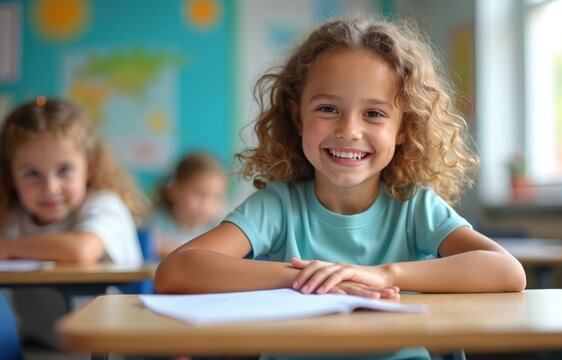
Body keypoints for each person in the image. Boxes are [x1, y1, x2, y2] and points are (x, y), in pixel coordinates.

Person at [155, 17, 526, 360]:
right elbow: (177, 271)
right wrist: (307, 278)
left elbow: (507, 272)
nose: (349, 130)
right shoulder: (278, 206)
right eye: (328, 109)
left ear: (404, 129)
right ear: (297, 116)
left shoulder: (414, 207)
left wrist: (384, 275)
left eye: (374, 113)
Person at [0, 97, 148, 347]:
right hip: (38, 346)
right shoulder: (11, 215)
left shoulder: (105, 204)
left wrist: (6, 248)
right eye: (32, 174)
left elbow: (81, 250)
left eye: (64, 170)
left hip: (109, 346)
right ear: (11, 177)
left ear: (88, 168)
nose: (50, 188)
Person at [145, 152, 228, 258]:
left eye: (216, 197)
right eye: (199, 193)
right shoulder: (154, 222)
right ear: (174, 190)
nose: (207, 205)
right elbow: (152, 247)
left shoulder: (218, 229)